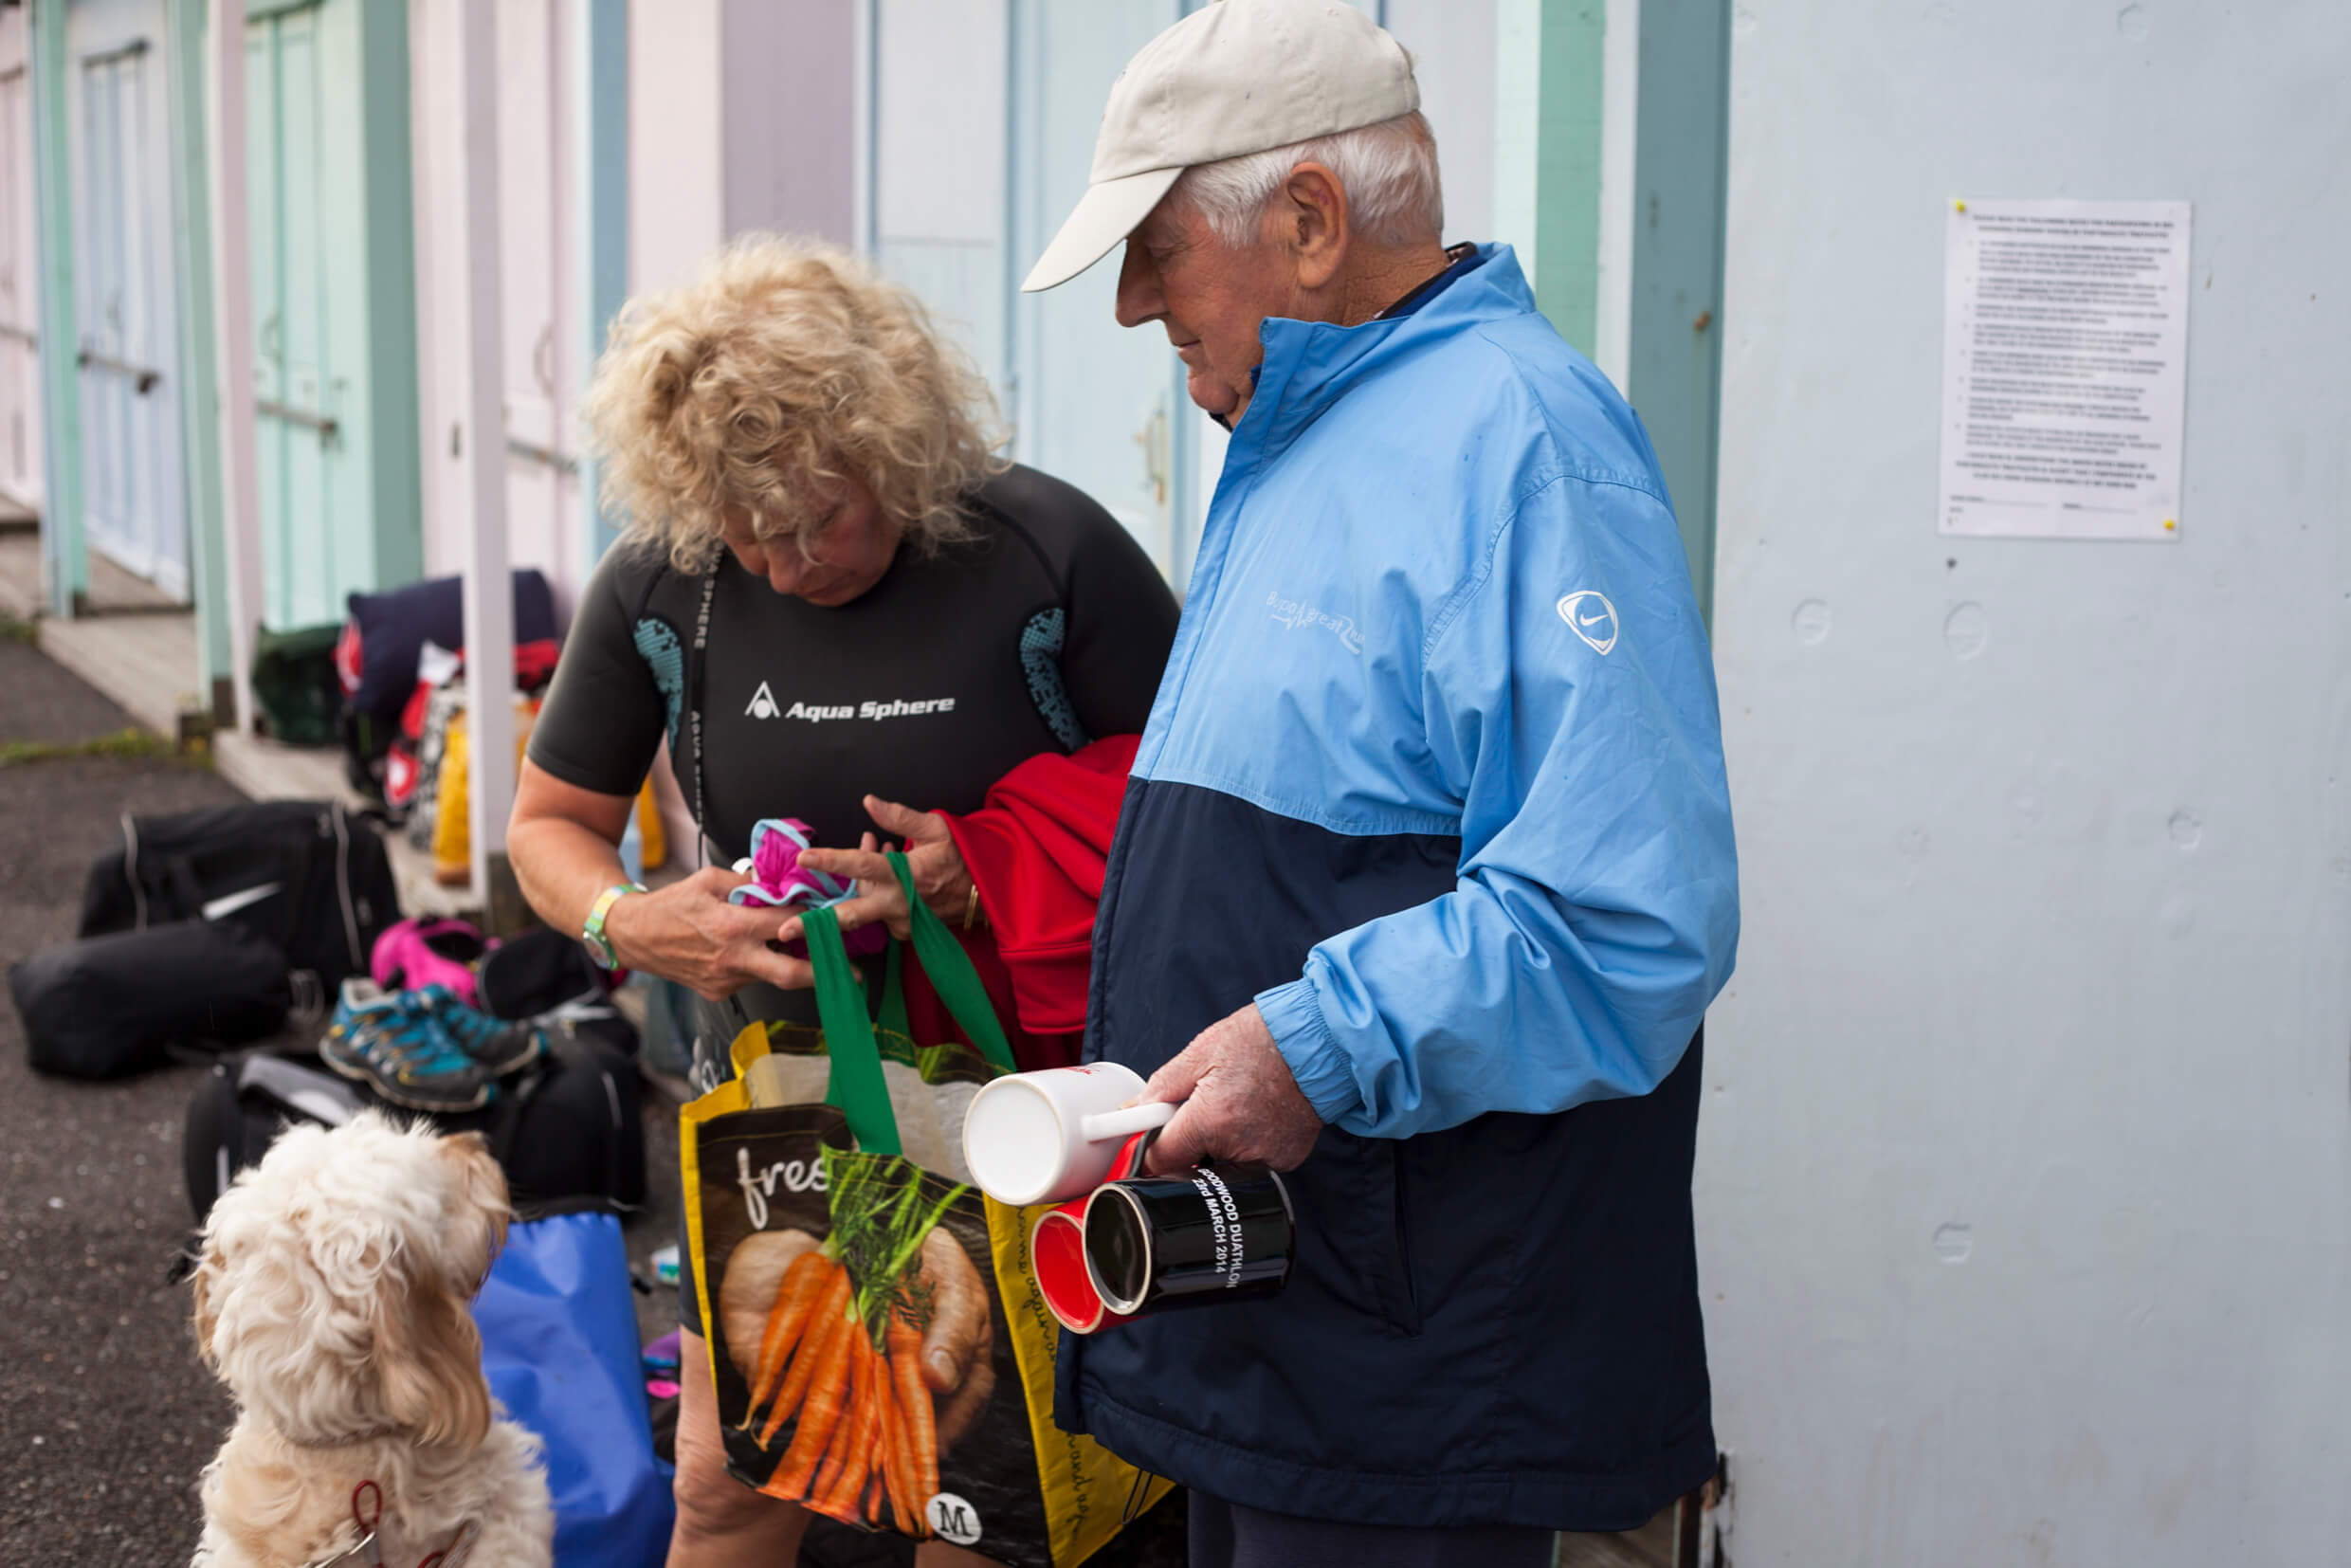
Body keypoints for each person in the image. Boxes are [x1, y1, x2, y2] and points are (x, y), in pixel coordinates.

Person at [1016, 3, 1740, 1565]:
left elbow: (1632, 916)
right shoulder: (1307, 430)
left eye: (1156, 247)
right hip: (1287, 1325)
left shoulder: (1525, 441)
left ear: (1310, 220)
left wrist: (1316, 1040)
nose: (1137, 303)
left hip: (1418, 1370)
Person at [506, 236, 1179, 1567]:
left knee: (976, 1506)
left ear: (895, 446)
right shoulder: (664, 579)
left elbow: (1195, 814)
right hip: (774, 1111)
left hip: (1008, 1114)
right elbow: (549, 826)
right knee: (727, 1480)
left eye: (822, 518)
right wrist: (630, 922)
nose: (789, 563)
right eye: (750, 534)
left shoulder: (1044, 552)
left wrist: (974, 872)